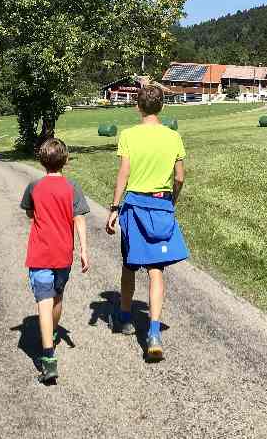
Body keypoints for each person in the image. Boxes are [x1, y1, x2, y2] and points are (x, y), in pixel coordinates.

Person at [105, 83, 188, 361]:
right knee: (156, 270)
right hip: (161, 204)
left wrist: (114, 207)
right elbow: (179, 176)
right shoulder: (173, 137)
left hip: (135, 206)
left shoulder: (129, 135)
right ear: (162, 106)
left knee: (129, 264)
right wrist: (171, 200)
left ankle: (126, 317)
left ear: (138, 106)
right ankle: (153, 332)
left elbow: (123, 173)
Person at [20, 138, 91, 383]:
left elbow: (30, 212)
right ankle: (51, 336)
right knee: (57, 297)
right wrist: (83, 250)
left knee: (44, 300)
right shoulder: (73, 188)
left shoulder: (34, 187)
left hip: (40, 253)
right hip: (63, 254)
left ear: (41, 162)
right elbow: (79, 219)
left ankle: (48, 357)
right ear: (66, 161)